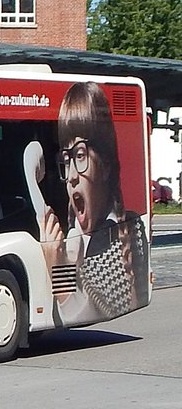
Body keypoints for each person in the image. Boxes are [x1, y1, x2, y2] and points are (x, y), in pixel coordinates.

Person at [37, 81, 148, 323]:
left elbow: (97, 309)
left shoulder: (128, 231)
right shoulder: (75, 236)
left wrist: (58, 267)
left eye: (79, 156)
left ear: (105, 165)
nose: (72, 176)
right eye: (66, 161)